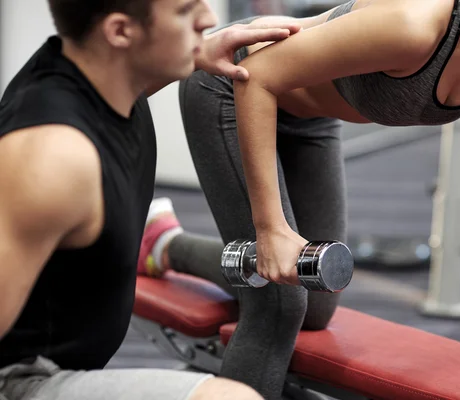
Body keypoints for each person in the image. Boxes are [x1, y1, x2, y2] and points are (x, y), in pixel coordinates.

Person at [138, 0, 460, 398]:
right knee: (279, 305)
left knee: (315, 303)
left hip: (308, 122)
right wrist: (271, 230)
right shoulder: (414, 25)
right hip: (232, 88)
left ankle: (164, 243)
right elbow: (257, 77)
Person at [0, 0, 303, 399]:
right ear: (121, 32)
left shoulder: (103, 82)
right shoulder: (54, 158)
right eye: (185, 12)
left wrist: (198, 51)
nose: (209, 20)